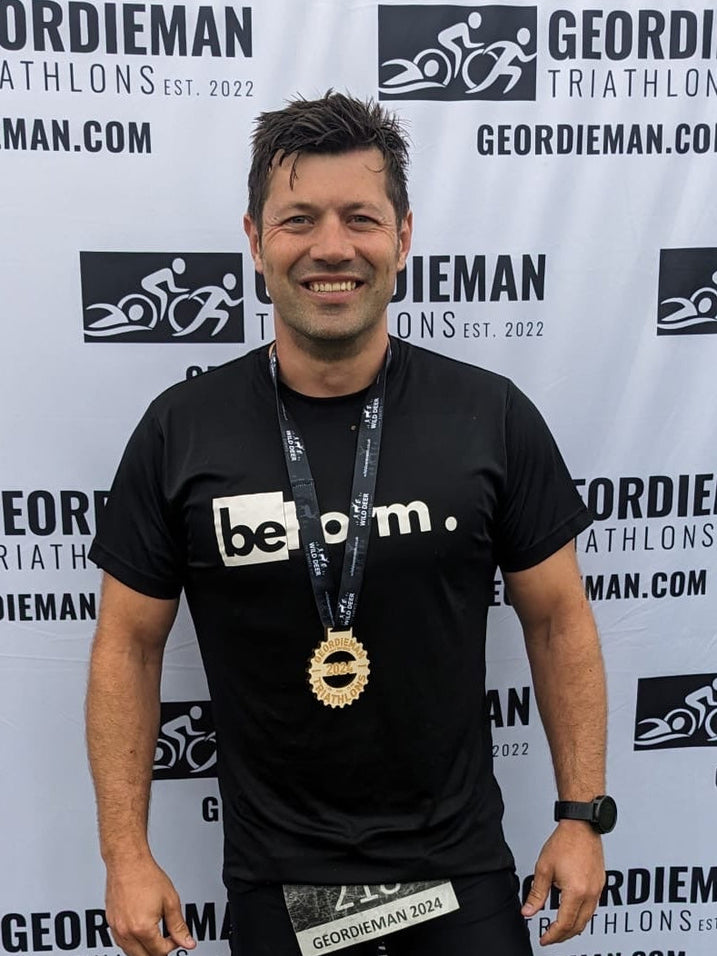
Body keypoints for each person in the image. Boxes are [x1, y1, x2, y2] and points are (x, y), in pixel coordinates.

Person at [86, 91, 612, 956]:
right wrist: (124, 853)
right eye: (298, 220)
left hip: (463, 878)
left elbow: (558, 619)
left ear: (403, 237)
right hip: (275, 887)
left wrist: (582, 815)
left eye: (360, 218)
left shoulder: (491, 417)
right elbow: (128, 645)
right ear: (256, 242)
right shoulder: (182, 429)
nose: (331, 247)